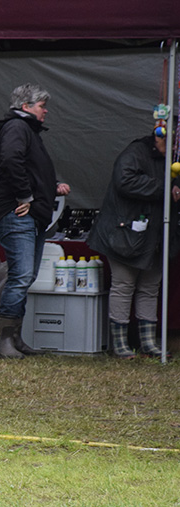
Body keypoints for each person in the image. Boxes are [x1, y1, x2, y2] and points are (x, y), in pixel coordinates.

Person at [0, 83, 71, 359]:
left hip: (30, 215)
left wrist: (52, 185)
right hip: (15, 213)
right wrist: (25, 196)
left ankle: (15, 338)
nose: (45, 110)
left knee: (26, 276)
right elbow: (11, 160)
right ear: (25, 107)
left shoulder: (27, 131)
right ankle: (4, 341)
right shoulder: (17, 128)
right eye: (41, 106)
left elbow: (30, 168)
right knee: (22, 275)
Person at [86, 127, 180, 358]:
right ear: (161, 137)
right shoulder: (135, 152)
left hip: (155, 235)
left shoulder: (173, 159)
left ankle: (148, 342)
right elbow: (124, 181)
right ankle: (120, 344)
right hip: (125, 233)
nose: (177, 148)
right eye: (176, 142)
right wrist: (165, 188)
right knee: (124, 285)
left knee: (150, 288)